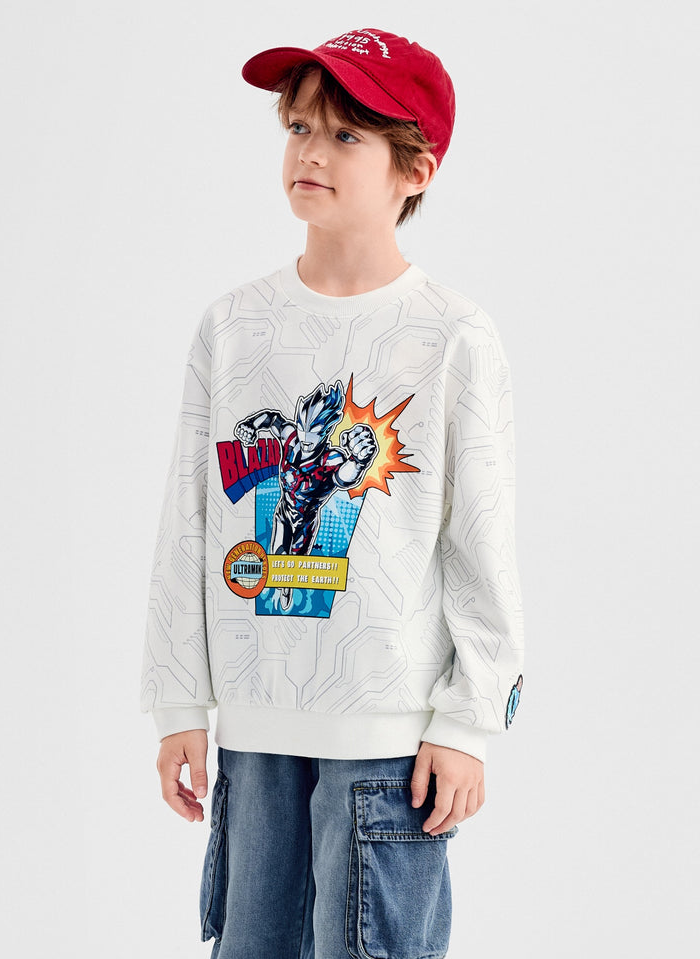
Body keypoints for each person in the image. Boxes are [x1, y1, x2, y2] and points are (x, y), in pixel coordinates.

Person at [140, 26, 524, 959]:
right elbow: (189, 521)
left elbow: (480, 542)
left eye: (347, 134)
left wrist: (469, 721)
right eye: (299, 127)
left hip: (389, 743)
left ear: (415, 169)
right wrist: (179, 702)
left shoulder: (452, 335)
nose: (310, 151)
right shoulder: (234, 326)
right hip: (255, 732)